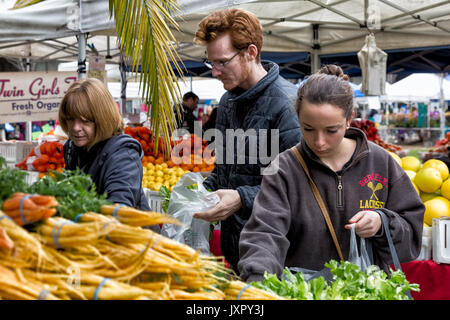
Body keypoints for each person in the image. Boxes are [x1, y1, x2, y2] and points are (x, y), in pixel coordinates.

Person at [238, 65, 425, 282]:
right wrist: (258, 279)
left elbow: (412, 234)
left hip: (366, 293)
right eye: (308, 128)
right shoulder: (284, 168)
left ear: (349, 119)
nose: (319, 142)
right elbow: (264, 233)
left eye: (331, 130)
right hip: (304, 295)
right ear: (297, 117)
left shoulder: (380, 162)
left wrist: (382, 223)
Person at [192, 8, 302, 272]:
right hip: (239, 248)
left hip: (279, 256)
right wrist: (198, 192)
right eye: (211, 62)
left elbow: (301, 187)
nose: (215, 72)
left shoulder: (289, 105)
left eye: (222, 62)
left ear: (251, 53)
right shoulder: (228, 102)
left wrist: (242, 198)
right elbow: (224, 169)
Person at [58, 78, 154, 217]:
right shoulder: (73, 149)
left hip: (128, 235)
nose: (75, 128)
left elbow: (119, 209)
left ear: (103, 118)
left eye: (85, 121)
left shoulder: (123, 156)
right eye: (70, 119)